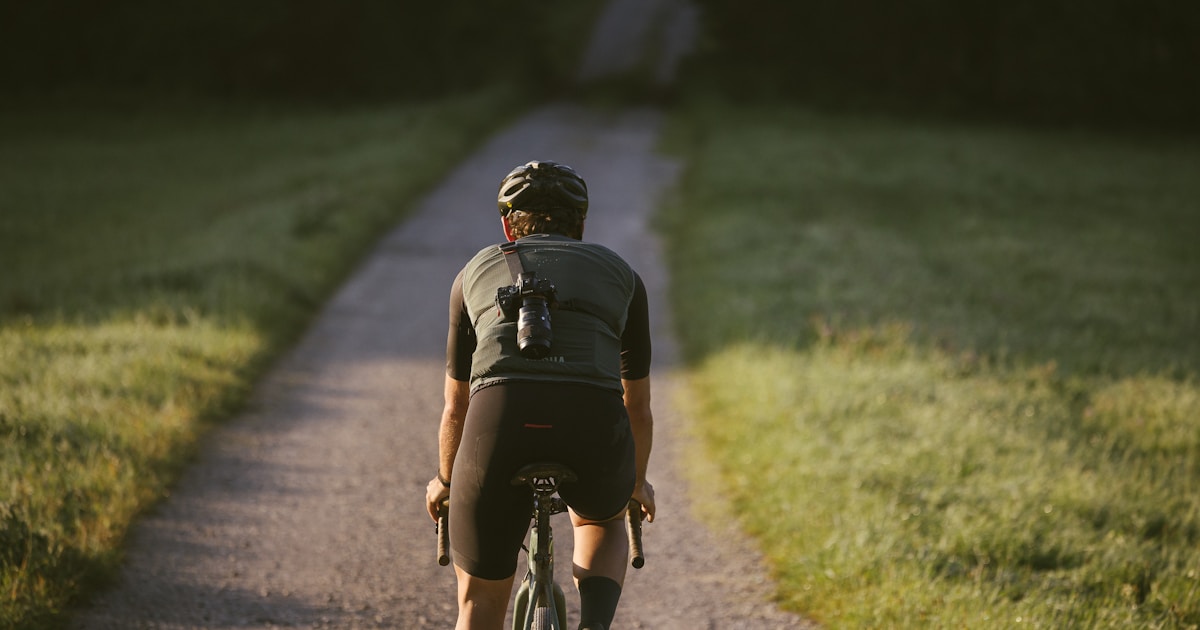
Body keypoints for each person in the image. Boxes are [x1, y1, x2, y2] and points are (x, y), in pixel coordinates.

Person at [425, 160, 656, 630]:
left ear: (508, 224)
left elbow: (456, 406)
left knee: (479, 606)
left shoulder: (474, 272)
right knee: (599, 521)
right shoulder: (623, 276)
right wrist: (635, 484)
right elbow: (637, 406)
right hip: (591, 423)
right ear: (582, 224)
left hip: (498, 423)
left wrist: (446, 482)